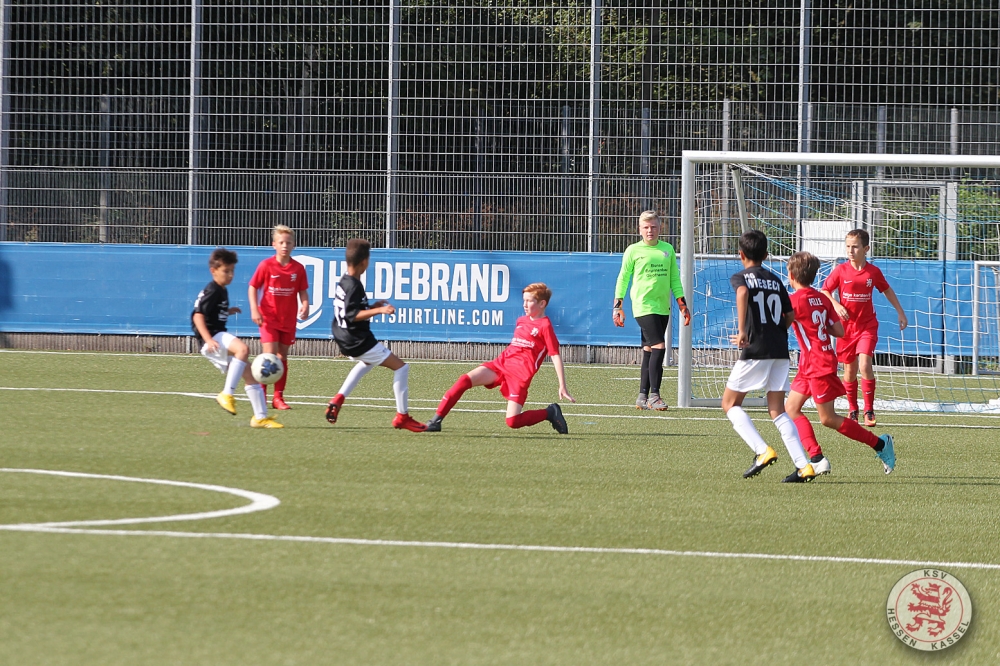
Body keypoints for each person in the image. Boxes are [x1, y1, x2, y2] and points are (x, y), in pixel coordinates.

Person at [784, 252, 896, 475]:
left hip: (817, 364)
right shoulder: (822, 298)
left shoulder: (793, 300)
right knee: (791, 408)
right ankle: (816, 457)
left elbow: (781, 326)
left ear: (792, 276)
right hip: (812, 362)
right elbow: (839, 330)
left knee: (828, 418)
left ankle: (880, 444)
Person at [721, 230, 815, 483]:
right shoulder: (775, 280)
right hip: (780, 350)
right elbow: (790, 315)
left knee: (729, 404)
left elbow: (742, 293)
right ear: (765, 255)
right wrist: (776, 332)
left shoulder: (741, 277)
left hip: (756, 349)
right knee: (778, 410)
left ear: (741, 254)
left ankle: (762, 450)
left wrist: (743, 331)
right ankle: (804, 465)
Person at [423, 282, 575, 434]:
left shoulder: (545, 326)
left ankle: (550, 413)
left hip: (519, 377)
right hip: (500, 366)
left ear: (542, 304)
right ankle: (436, 421)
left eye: (529, 301)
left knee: (513, 421)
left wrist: (562, 385)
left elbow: (555, 355)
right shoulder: (521, 320)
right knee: (464, 380)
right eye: (524, 300)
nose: (524, 304)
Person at [324, 238, 426, 432]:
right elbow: (352, 315)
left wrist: (371, 307)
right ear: (364, 261)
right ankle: (402, 417)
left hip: (344, 336)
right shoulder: (354, 285)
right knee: (401, 368)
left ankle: (338, 398)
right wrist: (380, 310)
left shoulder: (345, 280)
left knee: (367, 363)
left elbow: (352, 309)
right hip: (357, 339)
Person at [821, 228, 908, 427]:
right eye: (848, 246)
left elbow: (887, 290)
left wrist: (900, 312)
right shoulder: (841, 270)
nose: (850, 251)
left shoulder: (873, 272)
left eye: (855, 247)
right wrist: (836, 305)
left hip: (867, 326)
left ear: (866, 249)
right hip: (845, 329)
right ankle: (853, 409)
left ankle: (869, 410)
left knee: (865, 365)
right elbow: (825, 290)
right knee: (849, 371)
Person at [191, 248, 282, 428]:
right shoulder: (213, 290)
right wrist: (208, 339)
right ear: (213, 271)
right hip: (213, 337)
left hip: (215, 338)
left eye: (232, 271)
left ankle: (260, 418)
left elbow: (211, 313)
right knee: (243, 349)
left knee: (251, 375)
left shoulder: (221, 290)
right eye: (226, 271)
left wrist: (227, 311)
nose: (230, 275)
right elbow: (198, 316)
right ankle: (227, 394)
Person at [613, 210, 691, 410]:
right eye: (646, 227)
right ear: (640, 229)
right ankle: (655, 396)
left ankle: (642, 396)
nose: (650, 230)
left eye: (653, 227)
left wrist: (682, 304)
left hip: (662, 307)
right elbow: (623, 278)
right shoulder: (633, 250)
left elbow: (674, 279)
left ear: (659, 228)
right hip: (643, 305)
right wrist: (618, 306)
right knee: (659, 346)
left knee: (649, 350)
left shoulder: (667, 249)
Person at [248, 224, 310, 411]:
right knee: (269, 355)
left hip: (288, 319)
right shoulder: (266, 265)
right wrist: (254, 309)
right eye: (281, 242)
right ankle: (261, 395)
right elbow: (253, 287)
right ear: (273, 244)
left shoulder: (298, 268)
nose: (285, 246)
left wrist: (305, 304)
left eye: (288, 243)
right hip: (268, 318)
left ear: (294, 245)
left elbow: (302, 291)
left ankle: (278, 398)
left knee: (282, 356)